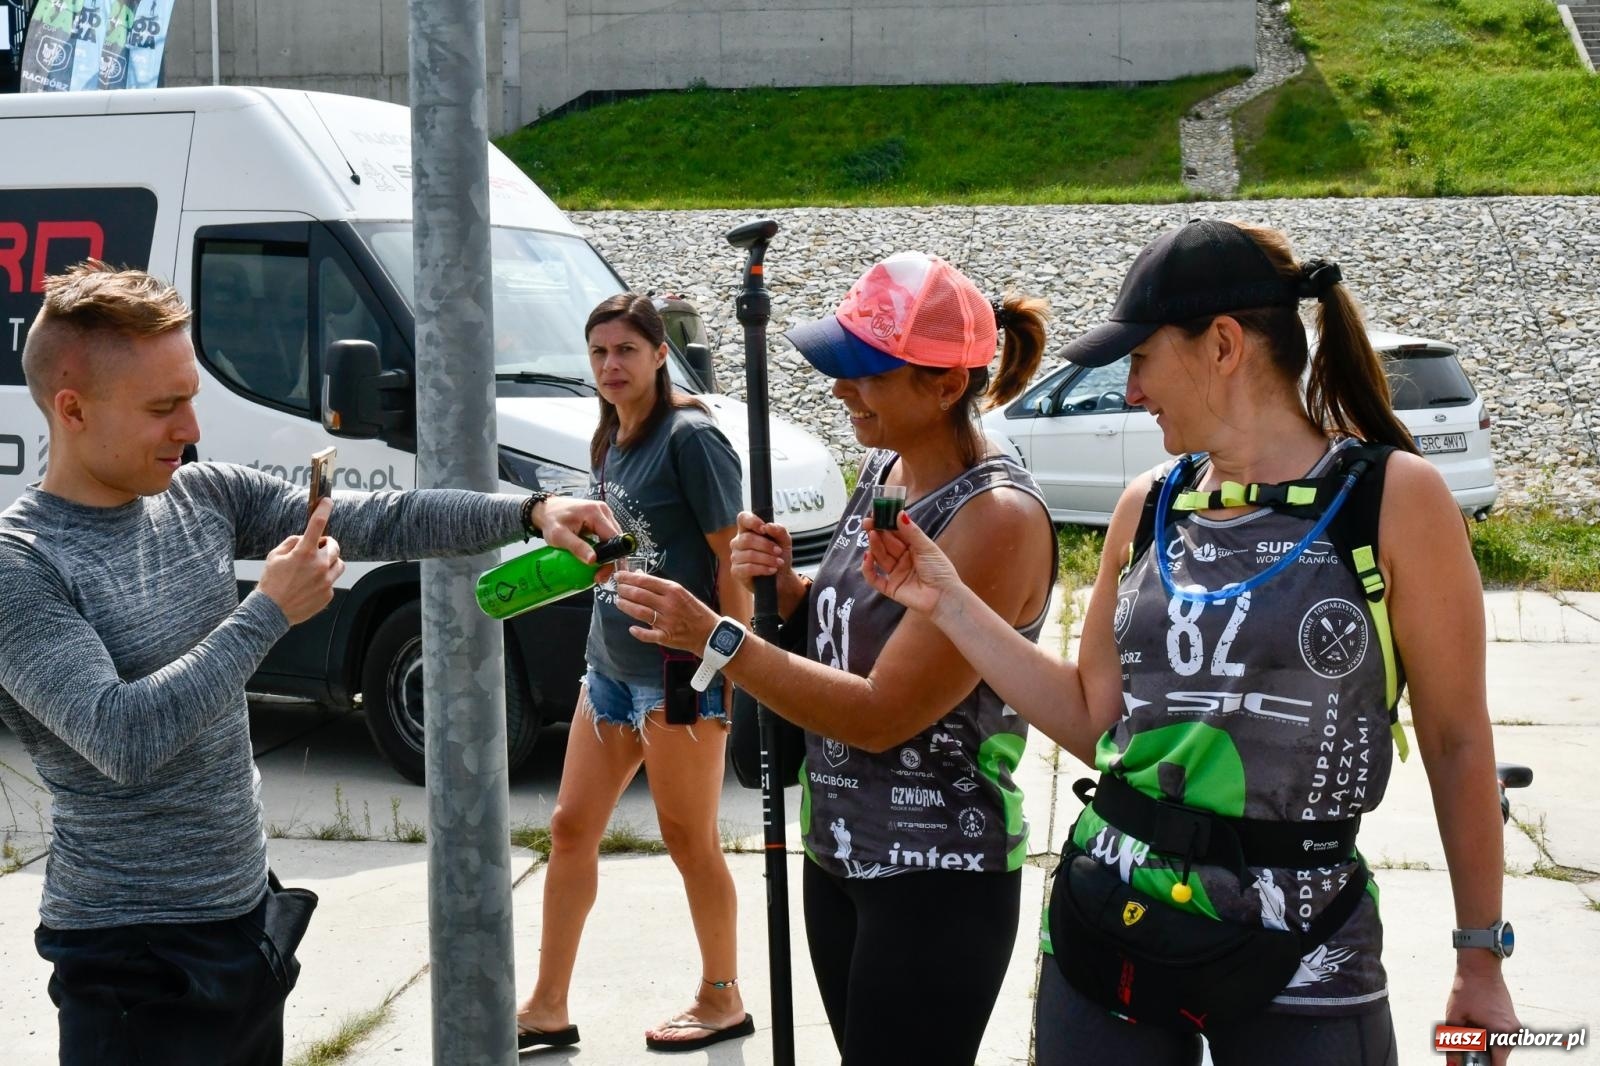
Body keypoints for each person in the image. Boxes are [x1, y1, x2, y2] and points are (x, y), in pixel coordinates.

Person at [857, 220, 1521, 1065]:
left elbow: (1458, 742)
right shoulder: (1147, 505)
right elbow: (1095, 719)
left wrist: (1480, 956)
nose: (1131, 391)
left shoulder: (1391, 499)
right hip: (1112, 923)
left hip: (1303, 947)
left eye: (1140, 360)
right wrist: (946, 601)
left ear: (1223, 345)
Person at [0, 261, 619, 1066]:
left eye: (191, 396)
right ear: (72, 408)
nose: (191, 428)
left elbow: (380, 519)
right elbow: (124, 739)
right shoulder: (24, 567)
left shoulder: (204, 496)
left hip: (244, 925)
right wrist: (268, 612)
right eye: (164, 407)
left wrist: (532, 511)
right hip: (129, 963)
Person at [610, 253, 1059, 1064]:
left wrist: (717, 637)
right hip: (842, 847)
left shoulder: (997, 517)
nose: (839, 388)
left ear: (945, 385)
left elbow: (883, 712)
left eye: (865, 371)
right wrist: (789, 583)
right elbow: (853, 619)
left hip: (937, 873)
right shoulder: (888, 466)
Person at [514, 293, 753, 1054]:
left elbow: (731, 558)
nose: (611, 366)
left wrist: (731, 662)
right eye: (598, 353)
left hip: (678, 672)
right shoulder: (611, 436)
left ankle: (723, 999)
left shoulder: (692, 440)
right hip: (609, 670)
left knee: (689, 840)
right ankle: (546, 1008)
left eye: (625, 350)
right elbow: (628, 552)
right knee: (570, 828)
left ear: (659, 354)